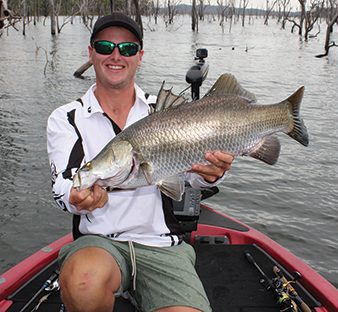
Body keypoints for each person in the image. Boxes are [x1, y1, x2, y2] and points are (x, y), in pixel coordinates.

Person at [47, 12, 234, 312]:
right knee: (83, 284)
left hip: (163, 245)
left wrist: (212, 174)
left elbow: (188, 179)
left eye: (128, 48)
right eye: (106, 47)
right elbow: (63, 186)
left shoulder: (162, 113)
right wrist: (76, 197)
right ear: (91, 53)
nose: (116, 55)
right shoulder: (67, 118)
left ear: (140, 56)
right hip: (99, 243)